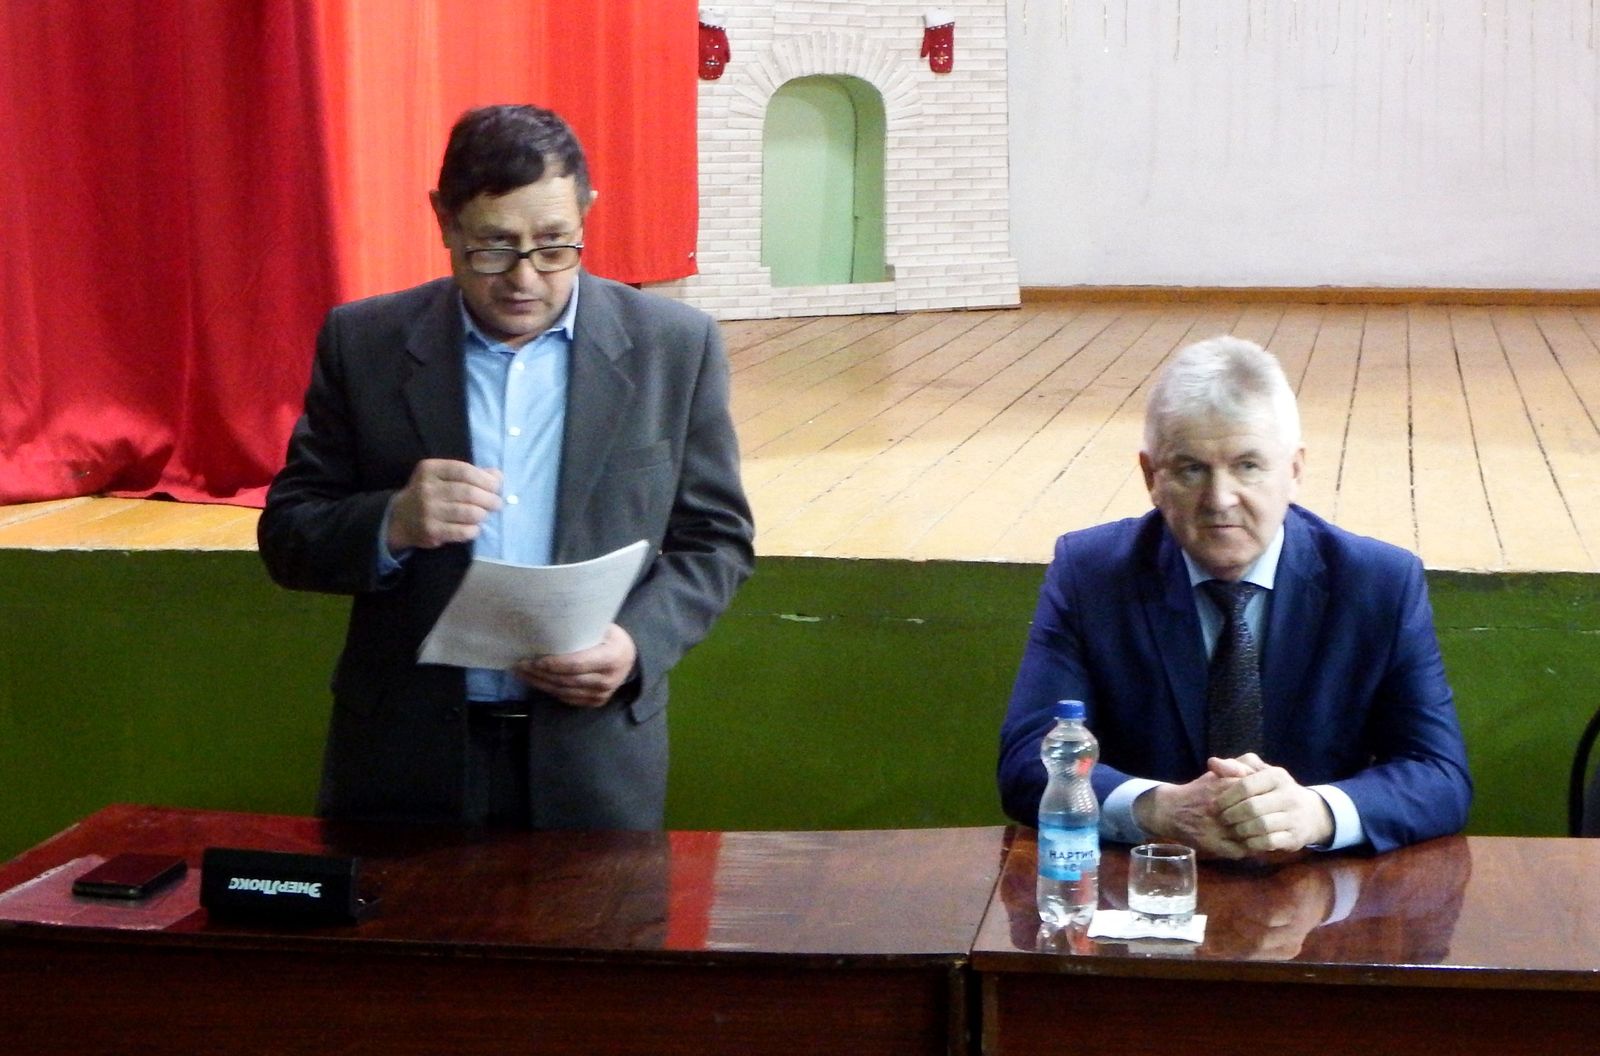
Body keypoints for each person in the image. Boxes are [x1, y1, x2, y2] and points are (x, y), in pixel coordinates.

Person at [259, 104, 754, 830]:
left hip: (594, 761)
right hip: (403, 757)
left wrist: (636, 644)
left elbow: (716, 541)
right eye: (492, 248)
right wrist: (392, 522)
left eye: (554, 246)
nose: (524, 278)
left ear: (586, 213)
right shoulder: (364, 344)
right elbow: (288, 536)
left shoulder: (673, 347)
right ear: (444, 221)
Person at [998, 335, 1471, 859]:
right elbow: (1028, 761)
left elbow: (1439, 774)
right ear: (1151, 476)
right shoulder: (1091, 575)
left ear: (1294, 470)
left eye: (1248, 466)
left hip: (1314, 885)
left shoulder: (1377, 583)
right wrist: (1157, 809)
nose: (1220, 499)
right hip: (1147, 883)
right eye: (1191, 469)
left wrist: (1316, 812)